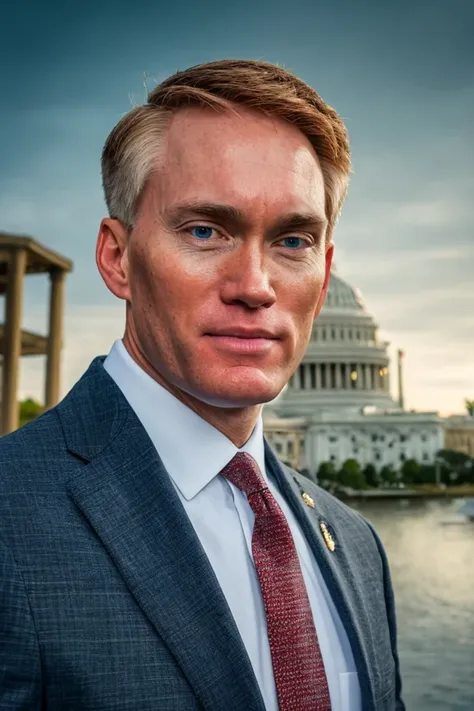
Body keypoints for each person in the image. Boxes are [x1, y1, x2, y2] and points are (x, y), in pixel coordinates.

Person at [0, 59, 405, 711]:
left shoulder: (355, 543)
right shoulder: (10, 520)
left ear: (324, 274)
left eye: (293, 239)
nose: (254, 285)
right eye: (205, 230)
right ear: (118, 257)